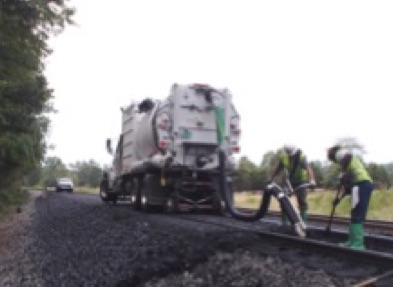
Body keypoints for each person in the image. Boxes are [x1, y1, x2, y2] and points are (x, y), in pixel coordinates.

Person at [327, 145, 374, 250]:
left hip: (362, 185)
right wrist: (338, 199)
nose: (335, 162)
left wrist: (342, 173)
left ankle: (357, 244)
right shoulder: (346, 163)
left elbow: (347, 156)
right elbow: (347, 189)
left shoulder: (341, 155)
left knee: (357, 214)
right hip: (358, 186)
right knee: (354, 214)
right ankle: (351, 241)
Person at [270, 144, 316, 225]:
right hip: (289, 182)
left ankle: (303, 224)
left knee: (302, 202)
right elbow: (278, 168)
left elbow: (309, 168)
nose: (290, 155)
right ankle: (284, 223)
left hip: (301, 181)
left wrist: (312, 180)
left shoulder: (301, 157)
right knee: (283, 200)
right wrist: (271, 178)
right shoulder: (284, 157)